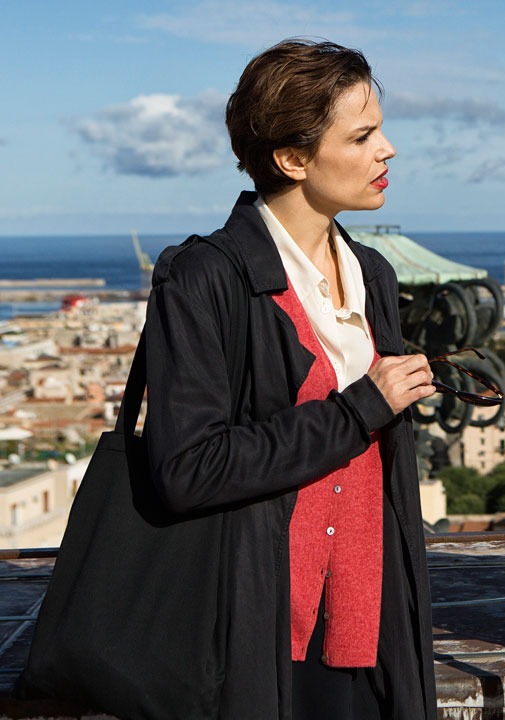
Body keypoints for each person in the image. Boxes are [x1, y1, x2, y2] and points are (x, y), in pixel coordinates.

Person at [143, 39, 437, 718]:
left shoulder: (373, 273)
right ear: (292, 159)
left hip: (372, 630)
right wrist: (359, 409)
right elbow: (186, 468)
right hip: (259, 633)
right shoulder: (205, 277)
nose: (387, 150)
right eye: (361, 136)